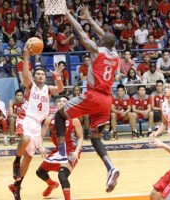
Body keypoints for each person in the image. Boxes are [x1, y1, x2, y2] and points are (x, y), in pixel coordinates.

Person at [45, 5, 120, 193]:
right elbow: (106, 36)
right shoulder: (115, 54)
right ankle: (110, 167)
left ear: (101, 41)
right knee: (95, 137)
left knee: (60, 116)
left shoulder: (96, 50)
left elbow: (80, 32)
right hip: (107, 100)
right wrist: (89, 18)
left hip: (93, 95)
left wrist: (69, 14)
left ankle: (62, 153)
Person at [9, 48, 64, 199]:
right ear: (34, 77)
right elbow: (26, 75)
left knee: (28, 158)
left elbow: (60, 89)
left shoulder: (48, 89)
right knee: (24, 139)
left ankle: (16, 186)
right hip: (26, 117)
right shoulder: (30, 86)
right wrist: (26, 57)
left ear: (45, 78)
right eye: (37, 74)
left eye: (42, 74)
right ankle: (15, 162)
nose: (40, 76)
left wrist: (58, 77)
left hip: (37, 124)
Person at [35, 96, 83, 200]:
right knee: (40, 172)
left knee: (62, 175)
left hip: (71, 150)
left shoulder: (74, 119)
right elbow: (41, 135)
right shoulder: (50, 119)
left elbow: (80, 137)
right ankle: (52, 184)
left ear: (68, 104)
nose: (61, 103)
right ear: (56, 104)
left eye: (64, 101)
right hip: (59, 150)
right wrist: (40, 146)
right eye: (59, 101)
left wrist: (76, 151)